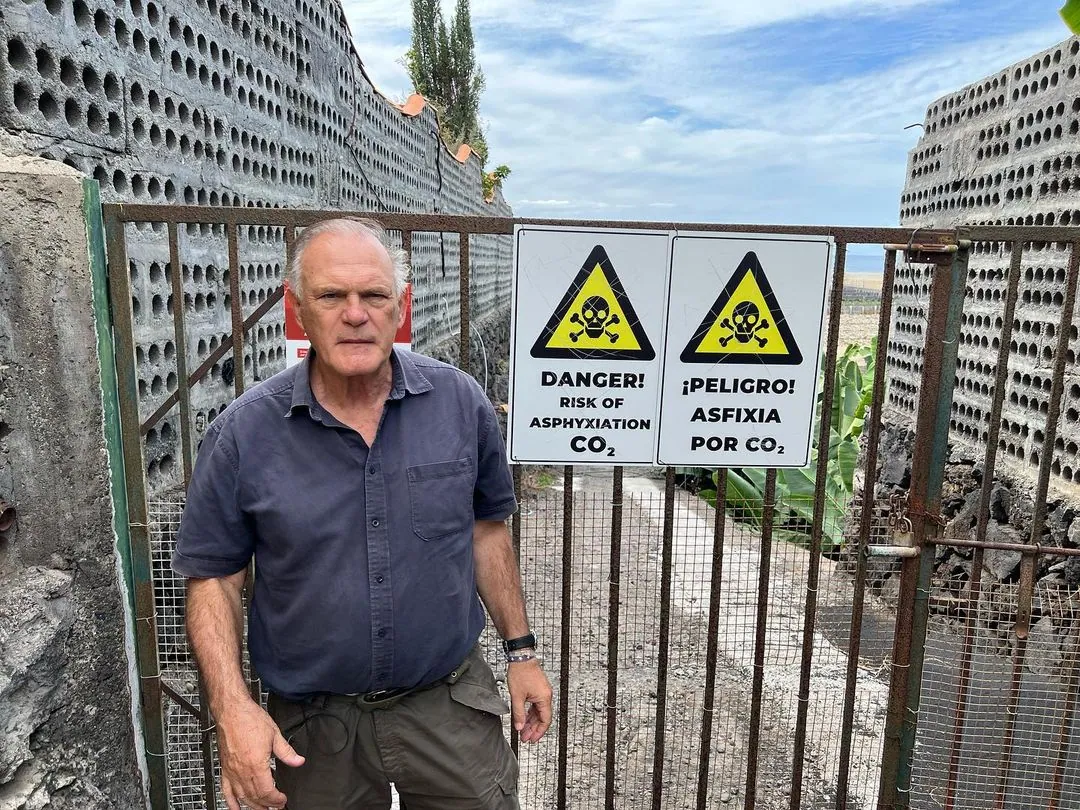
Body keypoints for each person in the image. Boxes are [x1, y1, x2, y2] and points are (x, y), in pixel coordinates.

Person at [173, 217, 552, 810]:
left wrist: (521, 652)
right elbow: (215, 577)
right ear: (298, 309)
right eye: (331, 296)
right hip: (315, 732)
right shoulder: (244, 435)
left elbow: (486, 530)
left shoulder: (459, 405)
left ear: (400, 307)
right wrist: (233, 707)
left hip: (448, 707)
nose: (356, 314)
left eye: (374, 295)